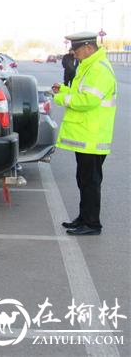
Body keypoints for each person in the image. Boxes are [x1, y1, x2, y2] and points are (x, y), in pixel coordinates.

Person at [51, 31, 117, 236]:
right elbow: (81, 94)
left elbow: (87, 101)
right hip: (87, 135)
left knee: (90, 182)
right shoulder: (88, 67)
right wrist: (63, 89)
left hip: (93, 137)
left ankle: (92, 224)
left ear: (89, 47)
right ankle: (83, 218)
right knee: (84, 179)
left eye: (76, 49)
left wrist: (61, 99)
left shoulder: (99, 70)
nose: (74, 53)